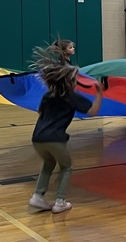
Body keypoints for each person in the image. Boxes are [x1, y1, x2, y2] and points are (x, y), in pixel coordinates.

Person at [28, 48, 103, 214]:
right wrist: (99, 93)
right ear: (70, 82)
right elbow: (92, 112)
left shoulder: (48, 95)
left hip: (37, 137)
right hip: (55, 139)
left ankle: (38, 196)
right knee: (66, 166)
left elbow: (40, 113)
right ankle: (60, 201)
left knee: (48, 163)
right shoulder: (72, 96)